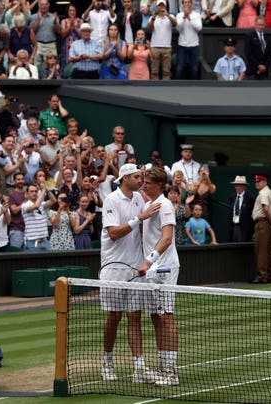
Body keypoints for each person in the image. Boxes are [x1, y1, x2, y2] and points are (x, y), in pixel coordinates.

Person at [99, 163, 161, 383]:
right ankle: (106, 363)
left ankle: (139, 368)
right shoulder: (111, 200)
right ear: (124, 178)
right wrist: (140, 218)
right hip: (113, 267)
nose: (140, 180)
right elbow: (114, 233)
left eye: (141, 176)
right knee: (114, 317)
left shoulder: (138, 198)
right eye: (137, 177)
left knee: (135, 316)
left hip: (135, 268)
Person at [136, 167, 181, 387]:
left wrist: (148, 261)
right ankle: (163, 365)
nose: (144, 185)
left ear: (160, 186)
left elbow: (166, 238)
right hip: (152, 271)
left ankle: (172, 371)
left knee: (166, 317)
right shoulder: (148, 205)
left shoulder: (165, 206)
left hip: (165, 269)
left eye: (149, 182)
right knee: (155, 316)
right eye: (144, 181)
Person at [251, 173, 271, 283]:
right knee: (270, 251)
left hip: (263, 223)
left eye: (259, 181)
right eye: (256, 181)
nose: (256, 183)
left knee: (261, 251)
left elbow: (266, 209)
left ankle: (262, 277)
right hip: (270, 223)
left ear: (265, 182)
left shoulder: (263, 193)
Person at [147, 0, 176, 81]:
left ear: (165, 6)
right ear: (157, 6)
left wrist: (167, 15)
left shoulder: (170, 16)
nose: (161, 7)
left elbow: (175, 23)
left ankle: (166, 89)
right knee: (154, 71)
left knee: (166, 71)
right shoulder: (153, 17)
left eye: (162, 5)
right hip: (155, 47)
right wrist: (153, 17)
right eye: (159, 5)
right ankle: (154, 89)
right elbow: (149, 28)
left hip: (167, 47)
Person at [175, 0, 202, 80]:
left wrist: (189, 18)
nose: (187, 4)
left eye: (188, 2)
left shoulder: (197, 15)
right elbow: (178, 28)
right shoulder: (179, 15)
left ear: (191, 4)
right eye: (185, 2)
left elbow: (199, 28)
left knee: (194, 68)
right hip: (182, 45)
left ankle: (195, 87)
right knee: (180, 67)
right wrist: (184, 17)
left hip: (194, 45)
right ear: (182, 4)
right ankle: (177, 87)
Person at [21, 181, 55, 251]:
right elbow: (36, 206)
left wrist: (47, 189)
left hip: (44, 240)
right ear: (27, 194)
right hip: (32, 241)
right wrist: (43, 191)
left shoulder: (42, 204)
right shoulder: (25, 205)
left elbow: (54, 200)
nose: (34, 193)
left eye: (36, 191)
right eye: (32, 191)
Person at [229, 175, 255, 242]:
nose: (238, 187)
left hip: (245, 228)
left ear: (244, 187)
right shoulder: (232, 197)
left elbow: (253, 214)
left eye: (240, 185)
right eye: (236, 185)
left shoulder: (250, 198)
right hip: (234, 226)